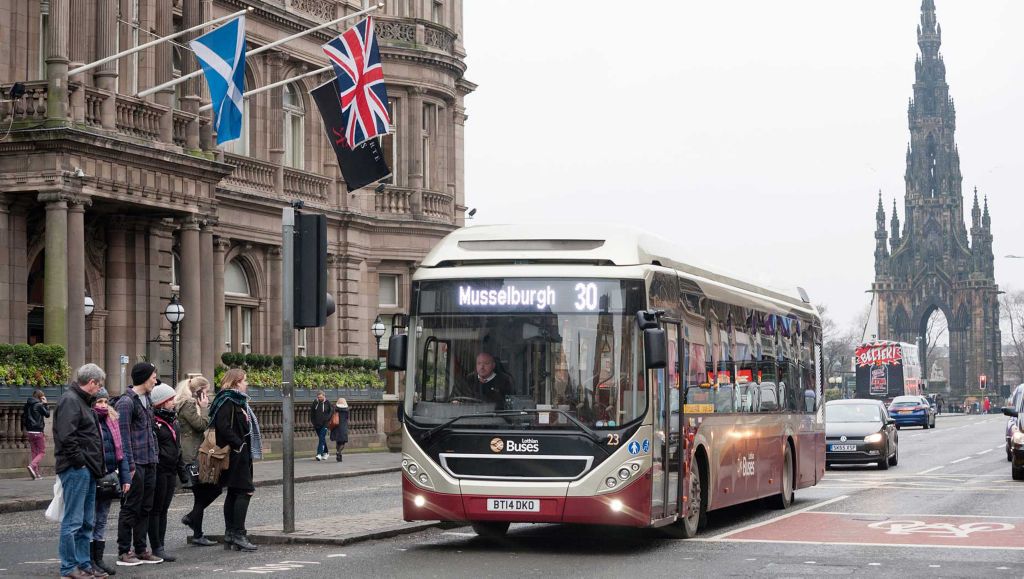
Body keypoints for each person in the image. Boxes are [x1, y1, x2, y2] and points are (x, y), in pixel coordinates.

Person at [53, 363, 108, 579]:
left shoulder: (81, 401)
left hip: (88, 468)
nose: (100, 389)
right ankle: (69, 567)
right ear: (92, 382)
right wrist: (81, 462)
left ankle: (84, 564)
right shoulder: (71, 401)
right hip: (77, 468)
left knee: (87, 521)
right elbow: (68, 437)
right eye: (99, 385)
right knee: (74, 521)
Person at [115, 362, 163, 566]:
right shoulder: (126, 403)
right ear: (144, 377)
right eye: (153, 376)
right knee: (131, 507)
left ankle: (141, 549)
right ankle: (124, 551)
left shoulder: (148, 399)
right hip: (135, 464)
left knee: (146, 507)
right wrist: (128, 467)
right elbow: (123, 438)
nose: (155, 380)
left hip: (150, 461)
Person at [209, 368, 262, 552]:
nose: (246, 383)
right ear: (236, 382)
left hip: (241, 454)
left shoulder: (237, 401)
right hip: (234, 454)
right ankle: (239, 534)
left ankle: (230, 535)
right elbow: (222, 426)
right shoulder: (227, 400)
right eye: (244, 380)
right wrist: (239, 444)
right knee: (245, 491)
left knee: (234, 492)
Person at [90, 387, 130, 577]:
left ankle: (98, 559)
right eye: (99, 402)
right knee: (89, 520)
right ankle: (88, 560)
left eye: (105, 402)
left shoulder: (112, 420)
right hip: (93, 477)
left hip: (109, 477)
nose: (103, 405)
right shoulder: (89, 421)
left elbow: (120, 453)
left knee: (102, 520)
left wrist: (125, 478)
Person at [175, 376, 219, 546]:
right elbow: (200, 426)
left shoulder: (187, 403)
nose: (207, 395)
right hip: (191, 454)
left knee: (203, 492)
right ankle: (195, 527)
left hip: (194, 452)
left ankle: (195, 527)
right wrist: (205, 409)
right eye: (206, 392)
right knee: (206, 490)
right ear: (199, 392)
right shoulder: (189, 404)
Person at [149, 383, 187, 562]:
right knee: (156, 510)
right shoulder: (154, 423)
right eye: (170, 399)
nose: (174, 402)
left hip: (171, 471)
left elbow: (177, 448)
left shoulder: (173, 421)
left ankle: (161, 546)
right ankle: (156, 547)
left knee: (164, 510)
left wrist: (183, 473)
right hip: (158, 471)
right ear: (161, 402)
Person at [22, 389, 50, 480]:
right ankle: (32, 465)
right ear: (40, 397)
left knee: (34, 452)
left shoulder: (27, 405)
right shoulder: (39, 405)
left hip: (30, 432)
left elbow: (24, 418)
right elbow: (47, 414)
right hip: (38, 431)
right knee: (41, 452)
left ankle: (36, 473)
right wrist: (45, 404)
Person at [310, 391, 334, 461]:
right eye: (318, 397)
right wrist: (313, 422)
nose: (319, 398)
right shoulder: (315, 402)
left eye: (320, 397)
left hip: (325, 424)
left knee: (321, 437)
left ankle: (319, 454)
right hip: (317, 424)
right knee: (322, 438)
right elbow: (312, 413)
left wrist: (327, 421)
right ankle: (326, 452)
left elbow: (331, 412)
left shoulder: (328, 403)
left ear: (324, 396)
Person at [329, 398, 349, 462]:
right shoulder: (346, 410)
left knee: (338, 442)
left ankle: (339, 454)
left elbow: (331, 415)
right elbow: (347, 418)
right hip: (343, 427)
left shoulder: (335, 409)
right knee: (343, 442)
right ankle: (339, 452)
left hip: (336, 427)